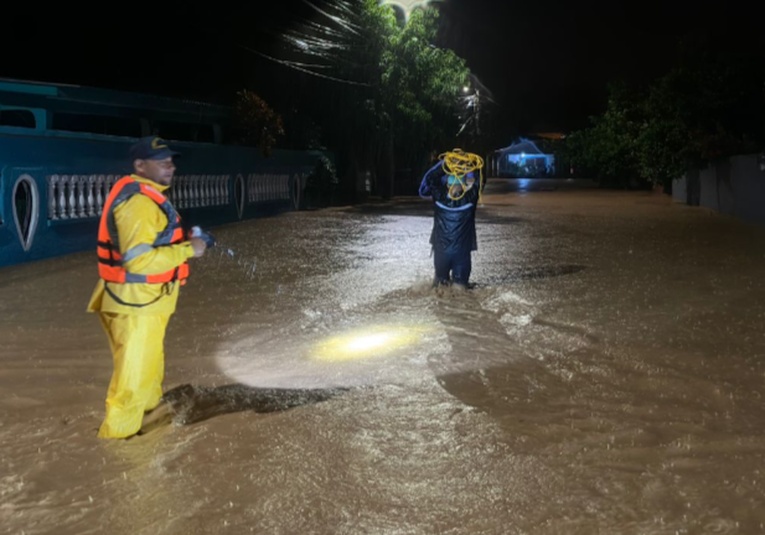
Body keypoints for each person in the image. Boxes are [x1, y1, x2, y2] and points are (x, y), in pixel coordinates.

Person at [87, 135, 213, 439]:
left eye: (171, 160)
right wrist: (190, 250)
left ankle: (148, 430)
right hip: (135, 306)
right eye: (161, 162)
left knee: (148, 373)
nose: (170, 166)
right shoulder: (139, 203)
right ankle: (118, 450)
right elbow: (139, 262)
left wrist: (186, 242)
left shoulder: (148, 195)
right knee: (131, 385)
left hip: (144, 303)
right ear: (140, 166)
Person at [419, 149, 484, 288]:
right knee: (461, 292)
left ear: (447, 183)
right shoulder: (470, 199)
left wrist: (446, 164)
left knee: (439, 288)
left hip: (441, 253)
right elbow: (479, 177)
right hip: (462, 254)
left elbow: (430, 179)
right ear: (464, 185)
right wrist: (466, 162)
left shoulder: (439, 197)